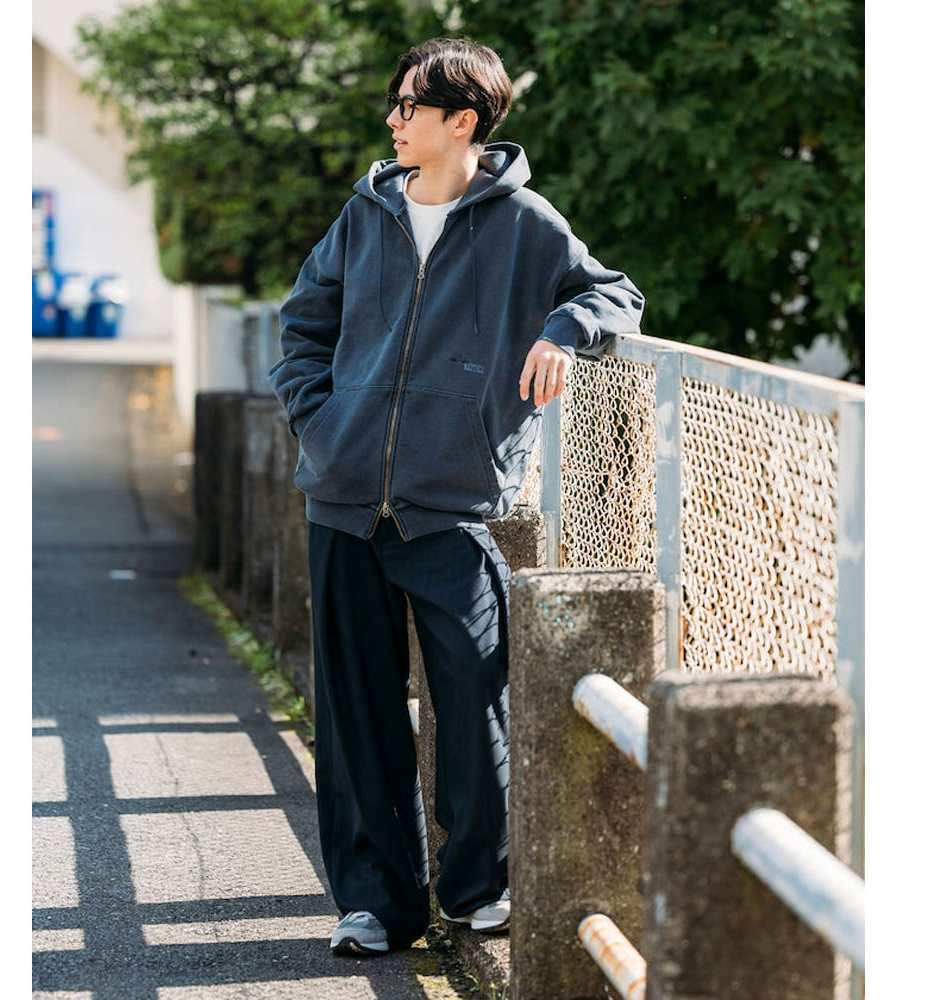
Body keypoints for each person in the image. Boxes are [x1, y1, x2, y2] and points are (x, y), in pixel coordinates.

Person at [268, 36, 644, 957]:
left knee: (475, 698)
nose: (393, 121)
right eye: (396, 105)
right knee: (357, 716)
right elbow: (303, 325)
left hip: (451, 505)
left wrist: (562, 330)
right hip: (344, 500)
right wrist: (320, 421)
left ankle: (479, 888)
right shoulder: (365, 213)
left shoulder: (523, 222)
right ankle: (378, 905)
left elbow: (614, 294)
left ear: (462, 121)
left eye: (410, 106)